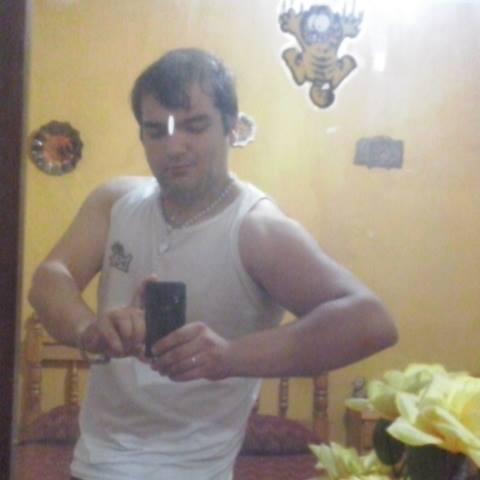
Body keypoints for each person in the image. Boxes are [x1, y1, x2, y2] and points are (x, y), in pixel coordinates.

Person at [29, 48, 398, 480]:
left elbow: (370, 321)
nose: (174, 146)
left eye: (195, 125)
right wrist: (89, 331)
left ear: (232, 127)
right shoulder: (115, 203)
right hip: (94, 464)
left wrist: (229, 356)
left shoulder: (257, 230)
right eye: (156, 131)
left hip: (196, 471)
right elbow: (49, 279)